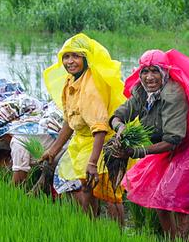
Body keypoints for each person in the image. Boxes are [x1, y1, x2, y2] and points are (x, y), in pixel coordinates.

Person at [109, 50, 189, 241]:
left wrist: (137, 151)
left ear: (165, 73)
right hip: (169, 143)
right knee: (157, 196)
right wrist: (120, 128)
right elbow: (118, 115)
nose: (149, 77)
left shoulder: (173, 95)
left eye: (155, 71)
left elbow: (173, 139)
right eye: (145, 72)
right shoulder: (140, 91)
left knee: (175, 197)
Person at [39, 33, 127, 225]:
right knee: (85, 187)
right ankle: (90, 230)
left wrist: (93, 162)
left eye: (76, 56)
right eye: (66, 57)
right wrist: (52, 150)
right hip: (83, 142)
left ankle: (118, 237)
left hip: (101, 143)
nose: (70, 62)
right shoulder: (71, 82)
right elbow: (70, 121)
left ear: (86, 58)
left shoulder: (90, 87)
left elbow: (100, 128)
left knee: (109, 192)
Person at [0, 92, 64, 187]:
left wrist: (4, 194)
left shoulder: (18, 141)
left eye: (2, 137)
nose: (2, 141)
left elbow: (19, 181)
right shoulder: (40, 126)